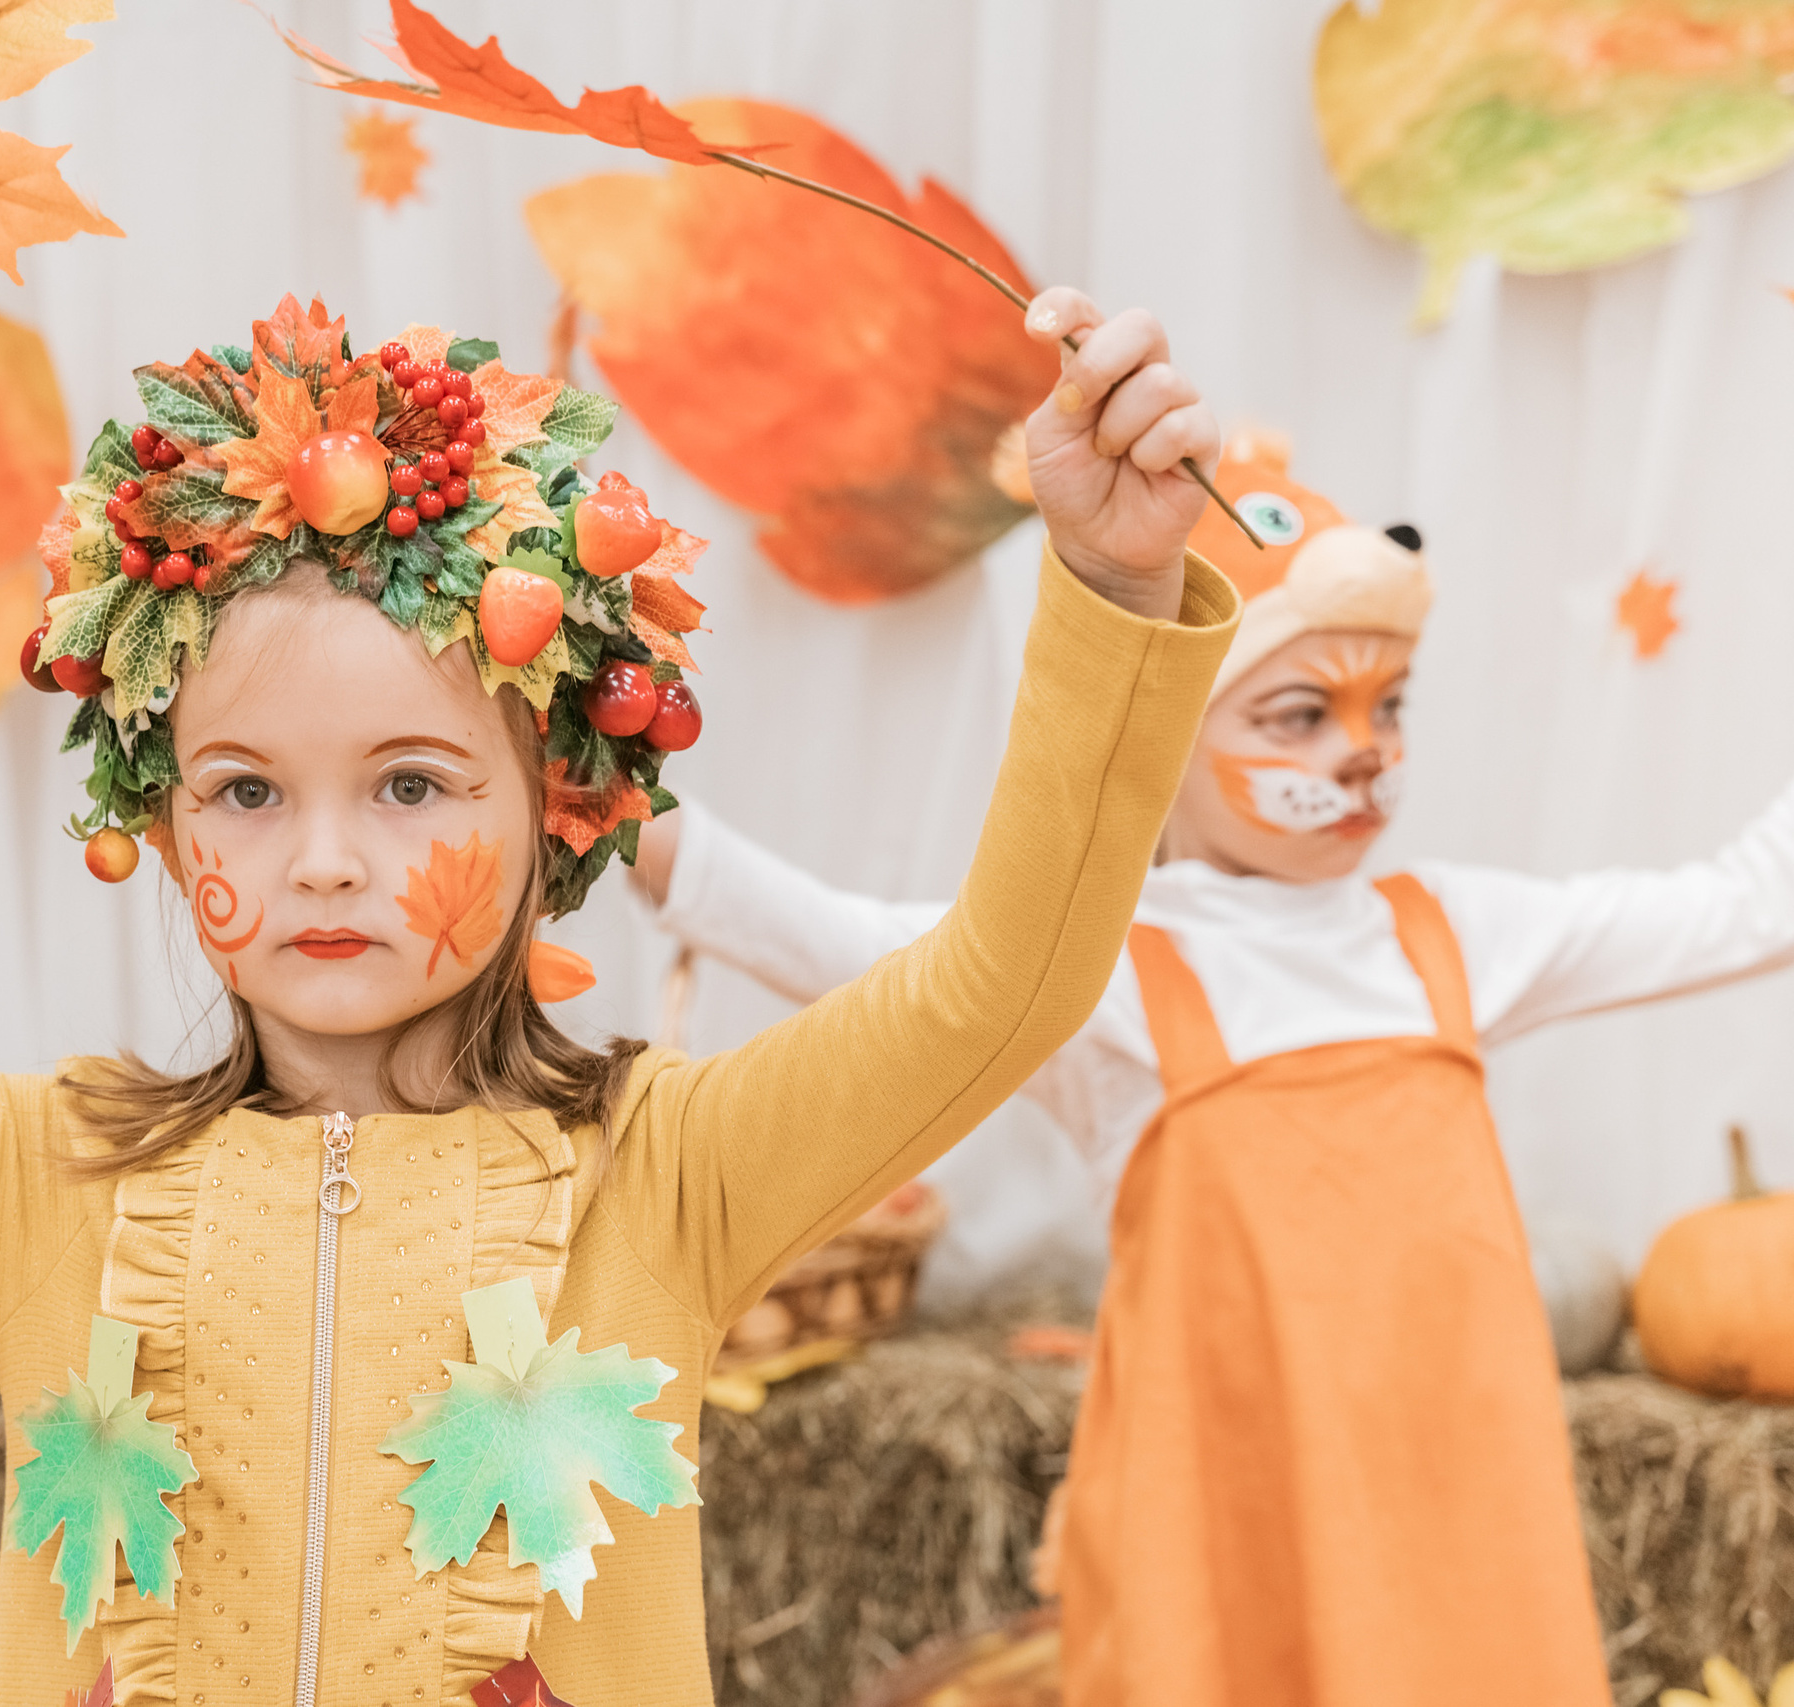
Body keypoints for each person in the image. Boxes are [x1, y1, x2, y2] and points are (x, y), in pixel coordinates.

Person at [0, 289, 1234, 1707]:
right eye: (251, 787)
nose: (323, 855)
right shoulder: (35, 1176)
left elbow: (1009, 979)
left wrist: (1103, 585)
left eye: (411, 784)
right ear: (164, 823)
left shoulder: (673, 1171)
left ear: (558, 802)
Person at [635, 433, 1794, 1706]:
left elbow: (1745, 908)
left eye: (1386, 707)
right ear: (1173, 731)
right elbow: (826, 937)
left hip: (1451, 1501)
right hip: (1231, 1513)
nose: (1359, 750)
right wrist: (603, 786)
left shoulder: (1455, 933)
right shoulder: (1100, 963)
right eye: (1299, 714)